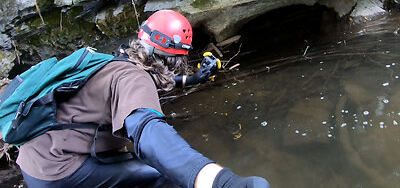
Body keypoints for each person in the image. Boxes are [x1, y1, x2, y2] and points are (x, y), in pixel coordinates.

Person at [16, 10, 270, 188]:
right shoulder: (135, 78)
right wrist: (221, 182)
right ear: (171, 58)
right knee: (162, 174)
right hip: (60, 171)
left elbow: (154, 83)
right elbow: (148, 133)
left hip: (37, 158)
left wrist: (194, 80)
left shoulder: (119, 61)